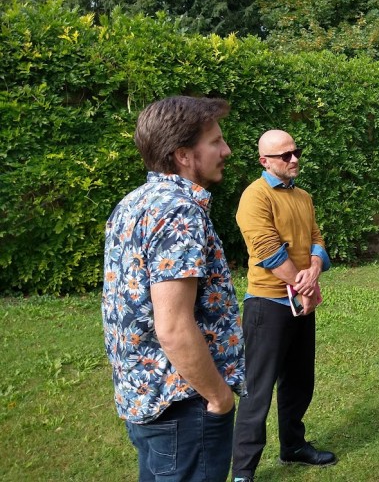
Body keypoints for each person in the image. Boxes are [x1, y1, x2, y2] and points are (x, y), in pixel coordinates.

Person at [102, 96, 246, 482]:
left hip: (145, 401)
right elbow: (174, 327)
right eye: (215, 141)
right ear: (183, 155)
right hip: (184, 405)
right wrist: (218, 397)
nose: (226, 150)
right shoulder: (179, 210)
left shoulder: (132, 204)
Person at [231, 130, 336, 482]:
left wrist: (314, 270)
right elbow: (268, 252)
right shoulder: (255, 197)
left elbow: (316, 239)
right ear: (264, 161)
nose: (293, 159)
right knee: (257, 390)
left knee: (299, 381)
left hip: (301, 301)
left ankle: (293, 446)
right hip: (267, 304)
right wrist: (303, 285)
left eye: (296, 152)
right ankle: (244, 471)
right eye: (284, 155)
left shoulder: (303, 197)